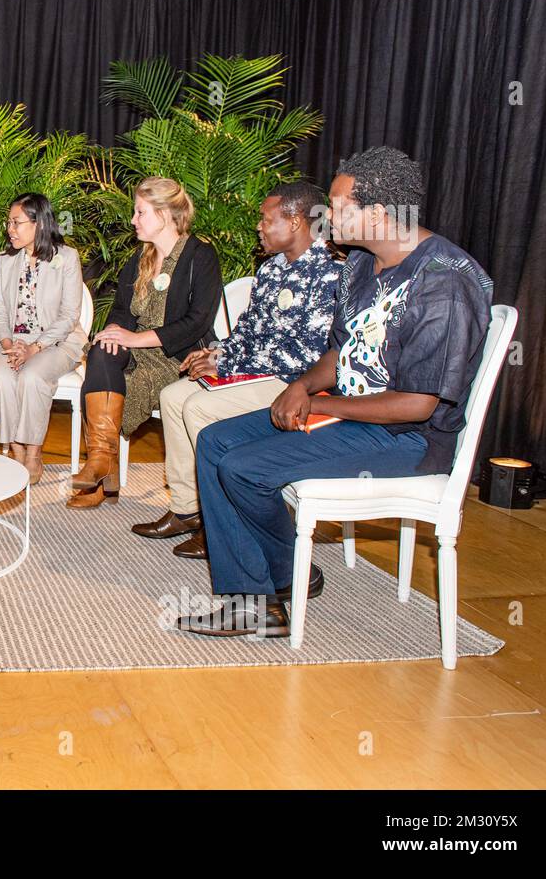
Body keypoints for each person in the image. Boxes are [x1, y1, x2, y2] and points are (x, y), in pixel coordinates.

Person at [178, 146, 493, 639]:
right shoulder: (363, 264)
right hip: (352, 418)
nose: (327, 215)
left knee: (243, 469)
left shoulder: (444, 285)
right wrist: (303, 384)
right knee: (217, 441)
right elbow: (342, 352)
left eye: (340, 205)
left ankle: (261, 600)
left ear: (379, 214)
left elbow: (417, 404)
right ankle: (280, 575)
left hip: (408, 439)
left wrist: (316, 403)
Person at [132, 181, 340, 559]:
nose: (259, 227)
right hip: (256, 373)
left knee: (198, 407)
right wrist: (216, 354)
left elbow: (301, 356)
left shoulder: (329, 274)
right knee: (173, 395)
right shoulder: (272, 269)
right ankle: (187, 509)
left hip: (293, 386)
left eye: (266, 219)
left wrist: (228, 362)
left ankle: (223, 521)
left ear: (294, 222)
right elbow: (248, 330)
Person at [67, 177, 221, 509]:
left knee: (105, 377)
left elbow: (198, 322)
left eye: (141, 212)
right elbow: (123, 311)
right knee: (101, 351)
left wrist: (134, 338)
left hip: (178, 357)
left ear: (165, 214)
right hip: (137, 351)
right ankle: (100, 461)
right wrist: (113, 332)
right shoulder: (140, 258)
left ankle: (103, 473)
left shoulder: (201, 255)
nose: (133, 220)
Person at [0, 193, 86, 484]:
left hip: (56, 342)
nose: (10, 229)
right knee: (1, 378)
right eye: (8, 222)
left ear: (39, 223)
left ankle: (34, 452)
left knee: (31, 376)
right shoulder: (5, 260)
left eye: (16, 222)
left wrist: (34, 347)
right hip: (11, 342)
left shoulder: (66, 258)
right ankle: (17, 450)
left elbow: (69, 315)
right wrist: (7, 344)